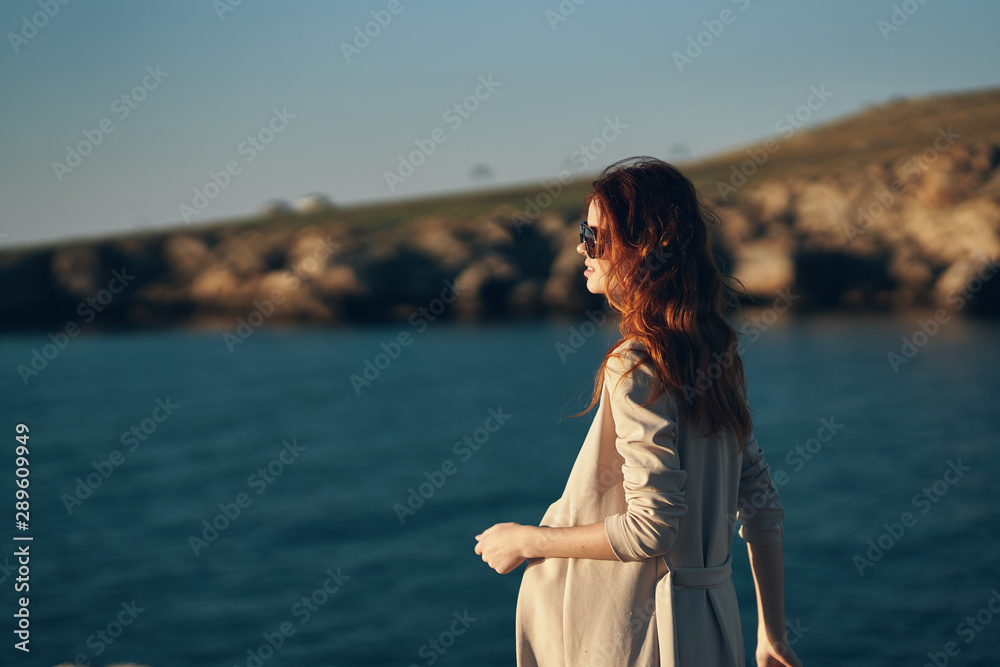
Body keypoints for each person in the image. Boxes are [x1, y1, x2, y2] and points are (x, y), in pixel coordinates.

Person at [474, 156, 802, 667]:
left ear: (644, 249)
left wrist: (524, 540)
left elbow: (652, 527)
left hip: (638, 639)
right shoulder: (712, 354)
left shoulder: (634, 364)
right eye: (585, 231)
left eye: (595, 234)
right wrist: (772, 634)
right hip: (712, 630)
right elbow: (760, 504)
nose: (582, 246)